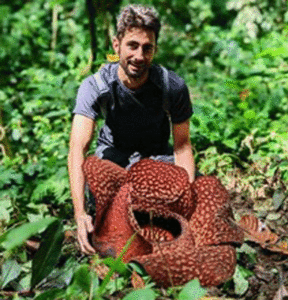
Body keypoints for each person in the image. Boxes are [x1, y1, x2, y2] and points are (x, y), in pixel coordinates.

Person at [68, 4, 195, 255]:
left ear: (155, 48)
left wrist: (186, 196)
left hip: (156, 159)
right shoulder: (96, 86)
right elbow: (77, 150)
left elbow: (182, 146)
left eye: (147, 48)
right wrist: (80, 214)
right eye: (132, 46)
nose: (139, 56)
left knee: (190, 197)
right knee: (102, 208)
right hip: (113, 159)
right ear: (117, 45)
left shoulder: (172, 86)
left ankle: (160, 232)